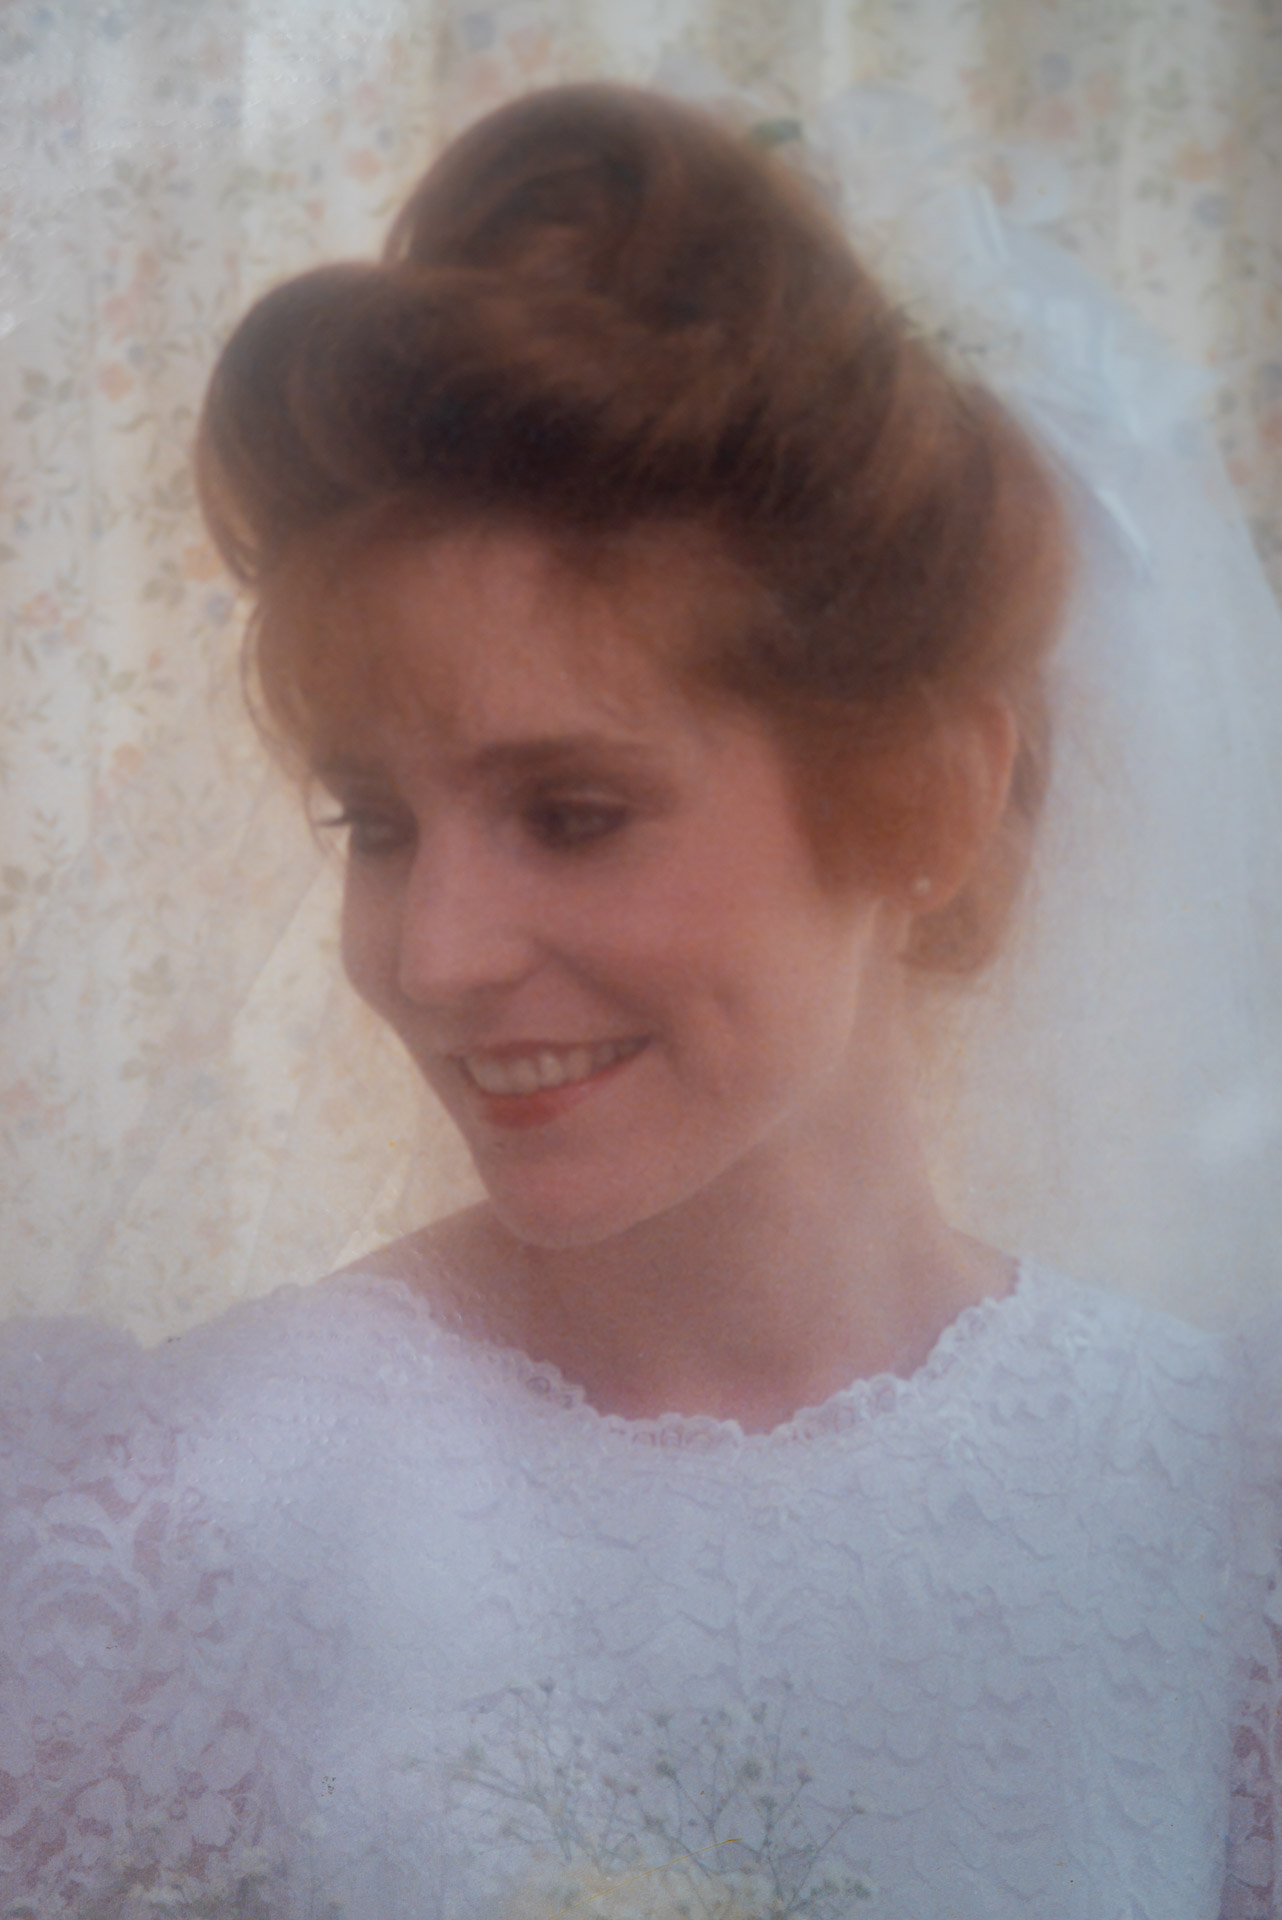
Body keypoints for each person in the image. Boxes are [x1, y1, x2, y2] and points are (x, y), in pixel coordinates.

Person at [0, 82, 1272, 1920]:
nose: (432, 956)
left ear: (929, 797)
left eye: (572, 813)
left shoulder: (1208, 1522)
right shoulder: (180, 1522)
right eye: (373, 824)